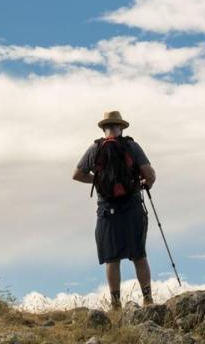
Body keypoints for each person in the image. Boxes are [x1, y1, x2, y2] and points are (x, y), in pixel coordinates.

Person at [72, 110, 157, 310]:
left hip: (106, 210)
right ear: (121, 127)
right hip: (132, 206)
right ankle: (148, 299)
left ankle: (116, 304)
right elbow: (150, 174)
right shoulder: (131, 146)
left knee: (112, 258)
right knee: (139, 255)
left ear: (103, 128)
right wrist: (145, 183)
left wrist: (99, 179)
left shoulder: (95, 148)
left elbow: (76, 174)